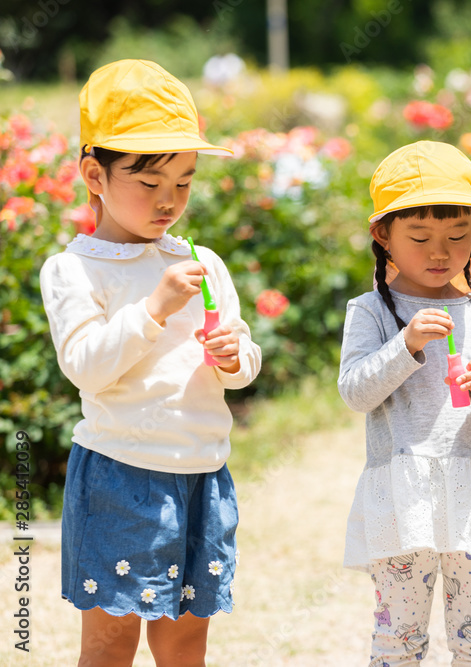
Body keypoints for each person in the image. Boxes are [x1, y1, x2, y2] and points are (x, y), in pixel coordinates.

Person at [39, 59, 261, 666]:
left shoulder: (202, 262)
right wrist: (154, 308)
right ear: (95, 174)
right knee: (110, 641)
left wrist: (234, 357)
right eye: (150, 181)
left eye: (184, 183)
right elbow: (86, 366)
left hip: (202, 472)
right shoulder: (74, 270)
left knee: (186, 637)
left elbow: (241, 357)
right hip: (121, 474)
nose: (169, 200)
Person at [338, 140, 471, 666]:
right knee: (398, 640)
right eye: (420, 237)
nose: (439, 253)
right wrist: (405, 346)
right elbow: (355, 391)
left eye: (456, 236)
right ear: (383, 235)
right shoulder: (371, 312)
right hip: (401, 500)